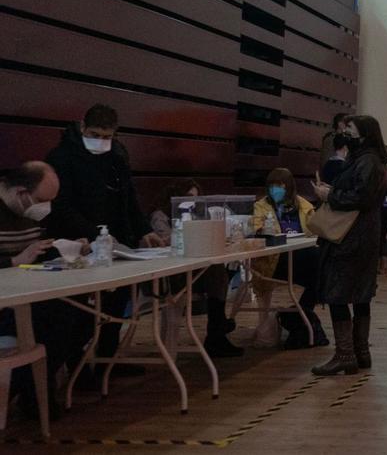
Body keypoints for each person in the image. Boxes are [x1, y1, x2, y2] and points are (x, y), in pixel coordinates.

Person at [44, 104, 160, 375]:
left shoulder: (116, 156)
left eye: (107, 136)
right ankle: (77, 364)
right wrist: (92, 233)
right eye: (96, 134)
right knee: (80, 306)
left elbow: (128, 197)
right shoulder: (61, 157)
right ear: (82, 127)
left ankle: (109, 357)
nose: (101, 141)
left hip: (114, 240)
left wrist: (144, 230)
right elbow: (60, 205)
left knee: (118, 296)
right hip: (76, 241)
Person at [0, 162, 93, 420]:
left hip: (25, 292)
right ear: (21, 193)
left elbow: (35, 253)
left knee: (75, 311)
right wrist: (13, 261)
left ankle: (35, 393)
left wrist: (68, 249)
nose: (46, 208)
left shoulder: (28, 213)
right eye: (43, 200)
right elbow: (20, 258)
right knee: (55, 319)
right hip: (6, 300)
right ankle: (26, 391)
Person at [311, 116, 387, 375]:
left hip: (351, 237)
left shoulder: (366, 160)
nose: (345, 133)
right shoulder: (369, 159)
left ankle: (345, 354)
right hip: (364, 236)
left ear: (363, 134)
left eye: (350, 129)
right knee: (360, 294)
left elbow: (360, 197)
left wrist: (328, 195)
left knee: (339, 293)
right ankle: (360, 351)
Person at [148, 179, 241, 357]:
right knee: (217, 272)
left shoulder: (195, 215)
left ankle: (217, 329)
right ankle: (217, 328)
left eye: (196, 198)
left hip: (189, 269)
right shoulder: (160, 216)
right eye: (189, 196)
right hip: (168, 273)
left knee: (218, 269)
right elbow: (166, 240)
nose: (193, 202)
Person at [250, 168, 326, 350]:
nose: (277, 190)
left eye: (281, 186)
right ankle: (297, 317)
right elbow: (257, 229)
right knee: (318, 262)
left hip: (300, 255)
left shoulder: (305, 206)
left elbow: (316, 230)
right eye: (273, 186)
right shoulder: (261, 206)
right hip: (274, 260)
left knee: (323, 268)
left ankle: (296, 314)